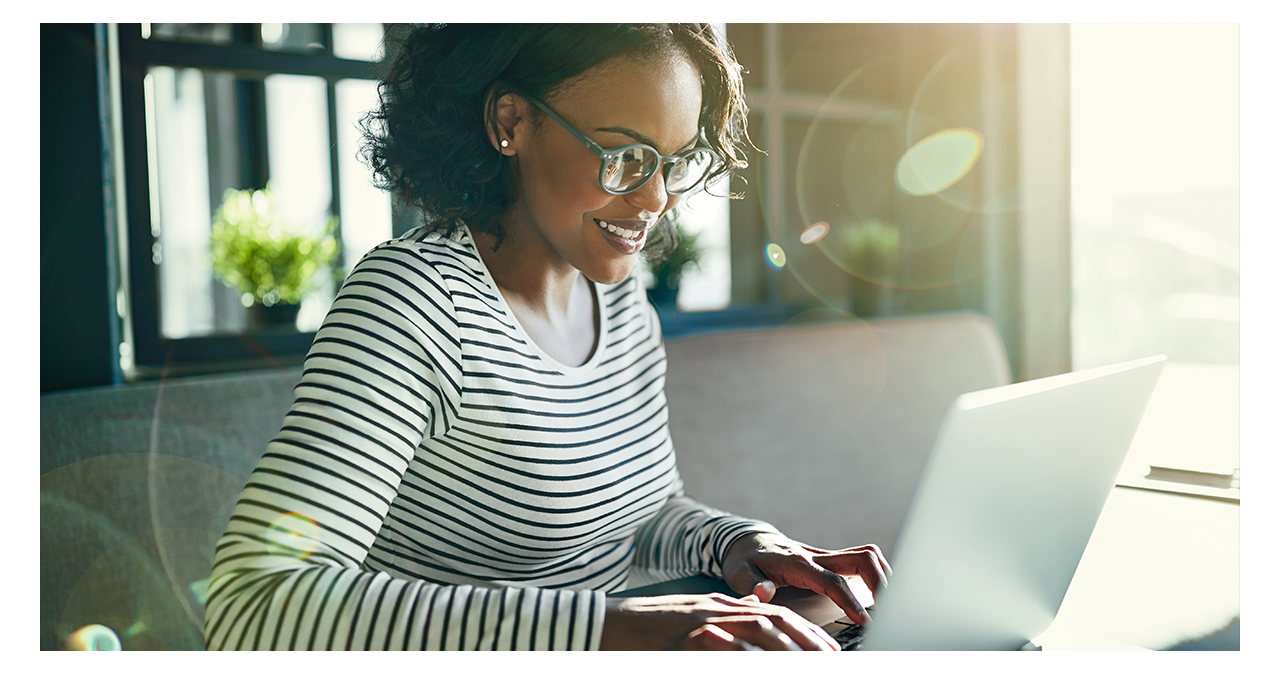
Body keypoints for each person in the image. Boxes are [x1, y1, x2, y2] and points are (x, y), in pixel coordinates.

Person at [204, 23, 891, 652]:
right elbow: (256, 599)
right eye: (625, 156)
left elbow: (641, 511)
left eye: (674, 163)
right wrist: (622, 625)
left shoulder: (618, 299)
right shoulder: (415, 301)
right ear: (512, 122)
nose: (654, 200)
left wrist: (741, 542)